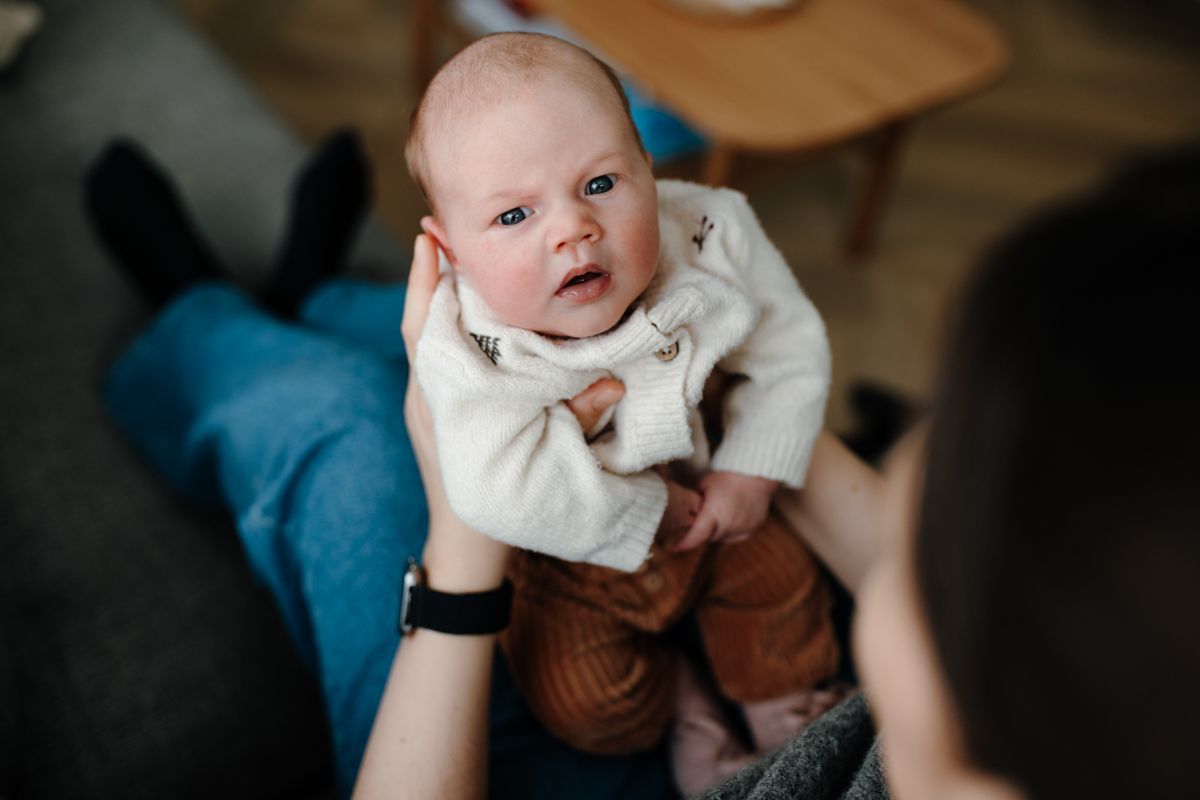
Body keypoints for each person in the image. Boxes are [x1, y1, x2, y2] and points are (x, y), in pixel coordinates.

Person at [356, 144, 1200, 800]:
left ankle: (264, 301)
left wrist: (461, 552)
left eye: (604, 183)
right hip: (672, 497)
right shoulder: (1081, 699)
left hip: (576, 596)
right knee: (350, 360)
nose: (573, 227)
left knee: (338, 420)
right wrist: (740, 425)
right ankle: (314, 290)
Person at [85, 132, 676, 799]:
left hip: (537, 764)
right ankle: (314, 294)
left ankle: (192, 305)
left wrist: (463, 542)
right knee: (491, 339)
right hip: (686, 678)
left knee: (353, 418)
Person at [406, 32, 838, 785]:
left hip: (710, 510)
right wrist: (645, 514)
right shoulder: (467, 345)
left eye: (601, 183)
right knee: (586, 701)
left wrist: (750, 471)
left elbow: (790, 347)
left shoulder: (708, 234)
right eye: (514, 217)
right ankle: (683, 704)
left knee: (784, 584)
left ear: (648, 165)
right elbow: (493, 487)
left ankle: (786, 707)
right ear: (450, 253)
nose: (573, 228)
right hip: (568, 559)